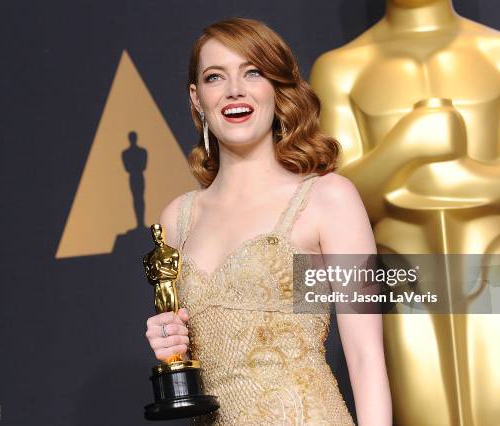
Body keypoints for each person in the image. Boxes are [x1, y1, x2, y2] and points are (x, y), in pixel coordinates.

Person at [145, 17, 391, 425]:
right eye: (214, 77)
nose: (234, 90)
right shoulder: (177, 219)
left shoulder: (327, 198)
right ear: (196, 98)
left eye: (252, 72)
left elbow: (366, 357)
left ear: (277, 89)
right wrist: (171, 345)